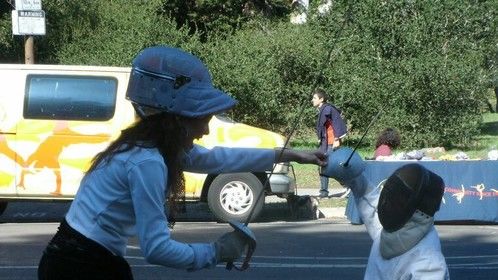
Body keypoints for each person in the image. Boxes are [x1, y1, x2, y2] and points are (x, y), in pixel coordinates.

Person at [37, 46, 326, 279]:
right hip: (81, 267)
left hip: (72, 260)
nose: (206, 130)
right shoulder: (147, 161)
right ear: (175, 120)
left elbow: (220, 158)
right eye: (202, 118)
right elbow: (156, 249)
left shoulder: (148, 146)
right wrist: (217, 251)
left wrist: (293, 155)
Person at [326, 148, 449, 279]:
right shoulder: (392, 229)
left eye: (399, 200)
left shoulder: (429, 264)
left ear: (416, 209)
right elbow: (367, 196)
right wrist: (347, 170)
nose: (388, 202)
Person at [311, 88, 347, 197]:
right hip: (325, 143)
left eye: (314, 98)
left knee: (330, 166)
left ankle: (349, 186)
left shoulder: (328, 109)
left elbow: (337, 123)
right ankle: (324, 191)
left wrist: (337, 139)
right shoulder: (323, 109)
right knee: (323, 165)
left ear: (321, 99)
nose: (312, 100)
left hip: (332, 143)